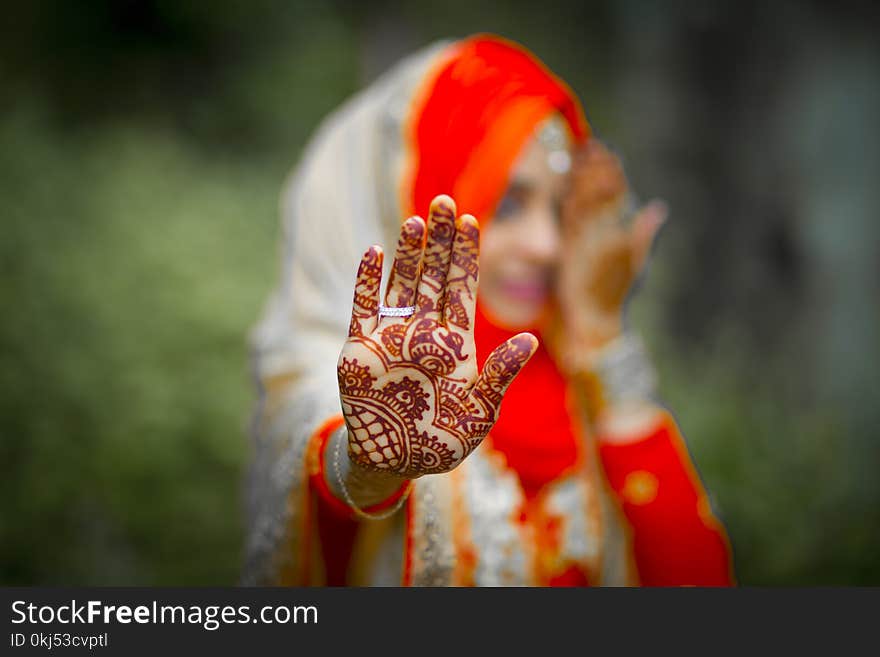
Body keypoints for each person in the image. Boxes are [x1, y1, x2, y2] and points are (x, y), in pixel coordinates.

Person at [242, 34, 735, 586]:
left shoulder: (576, 379)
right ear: (422, 198)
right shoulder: (363, 375)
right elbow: (325, 461)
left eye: (559, 207)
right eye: (506, 204)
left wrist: (602, 339)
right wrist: (373, 465)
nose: (547, 245)